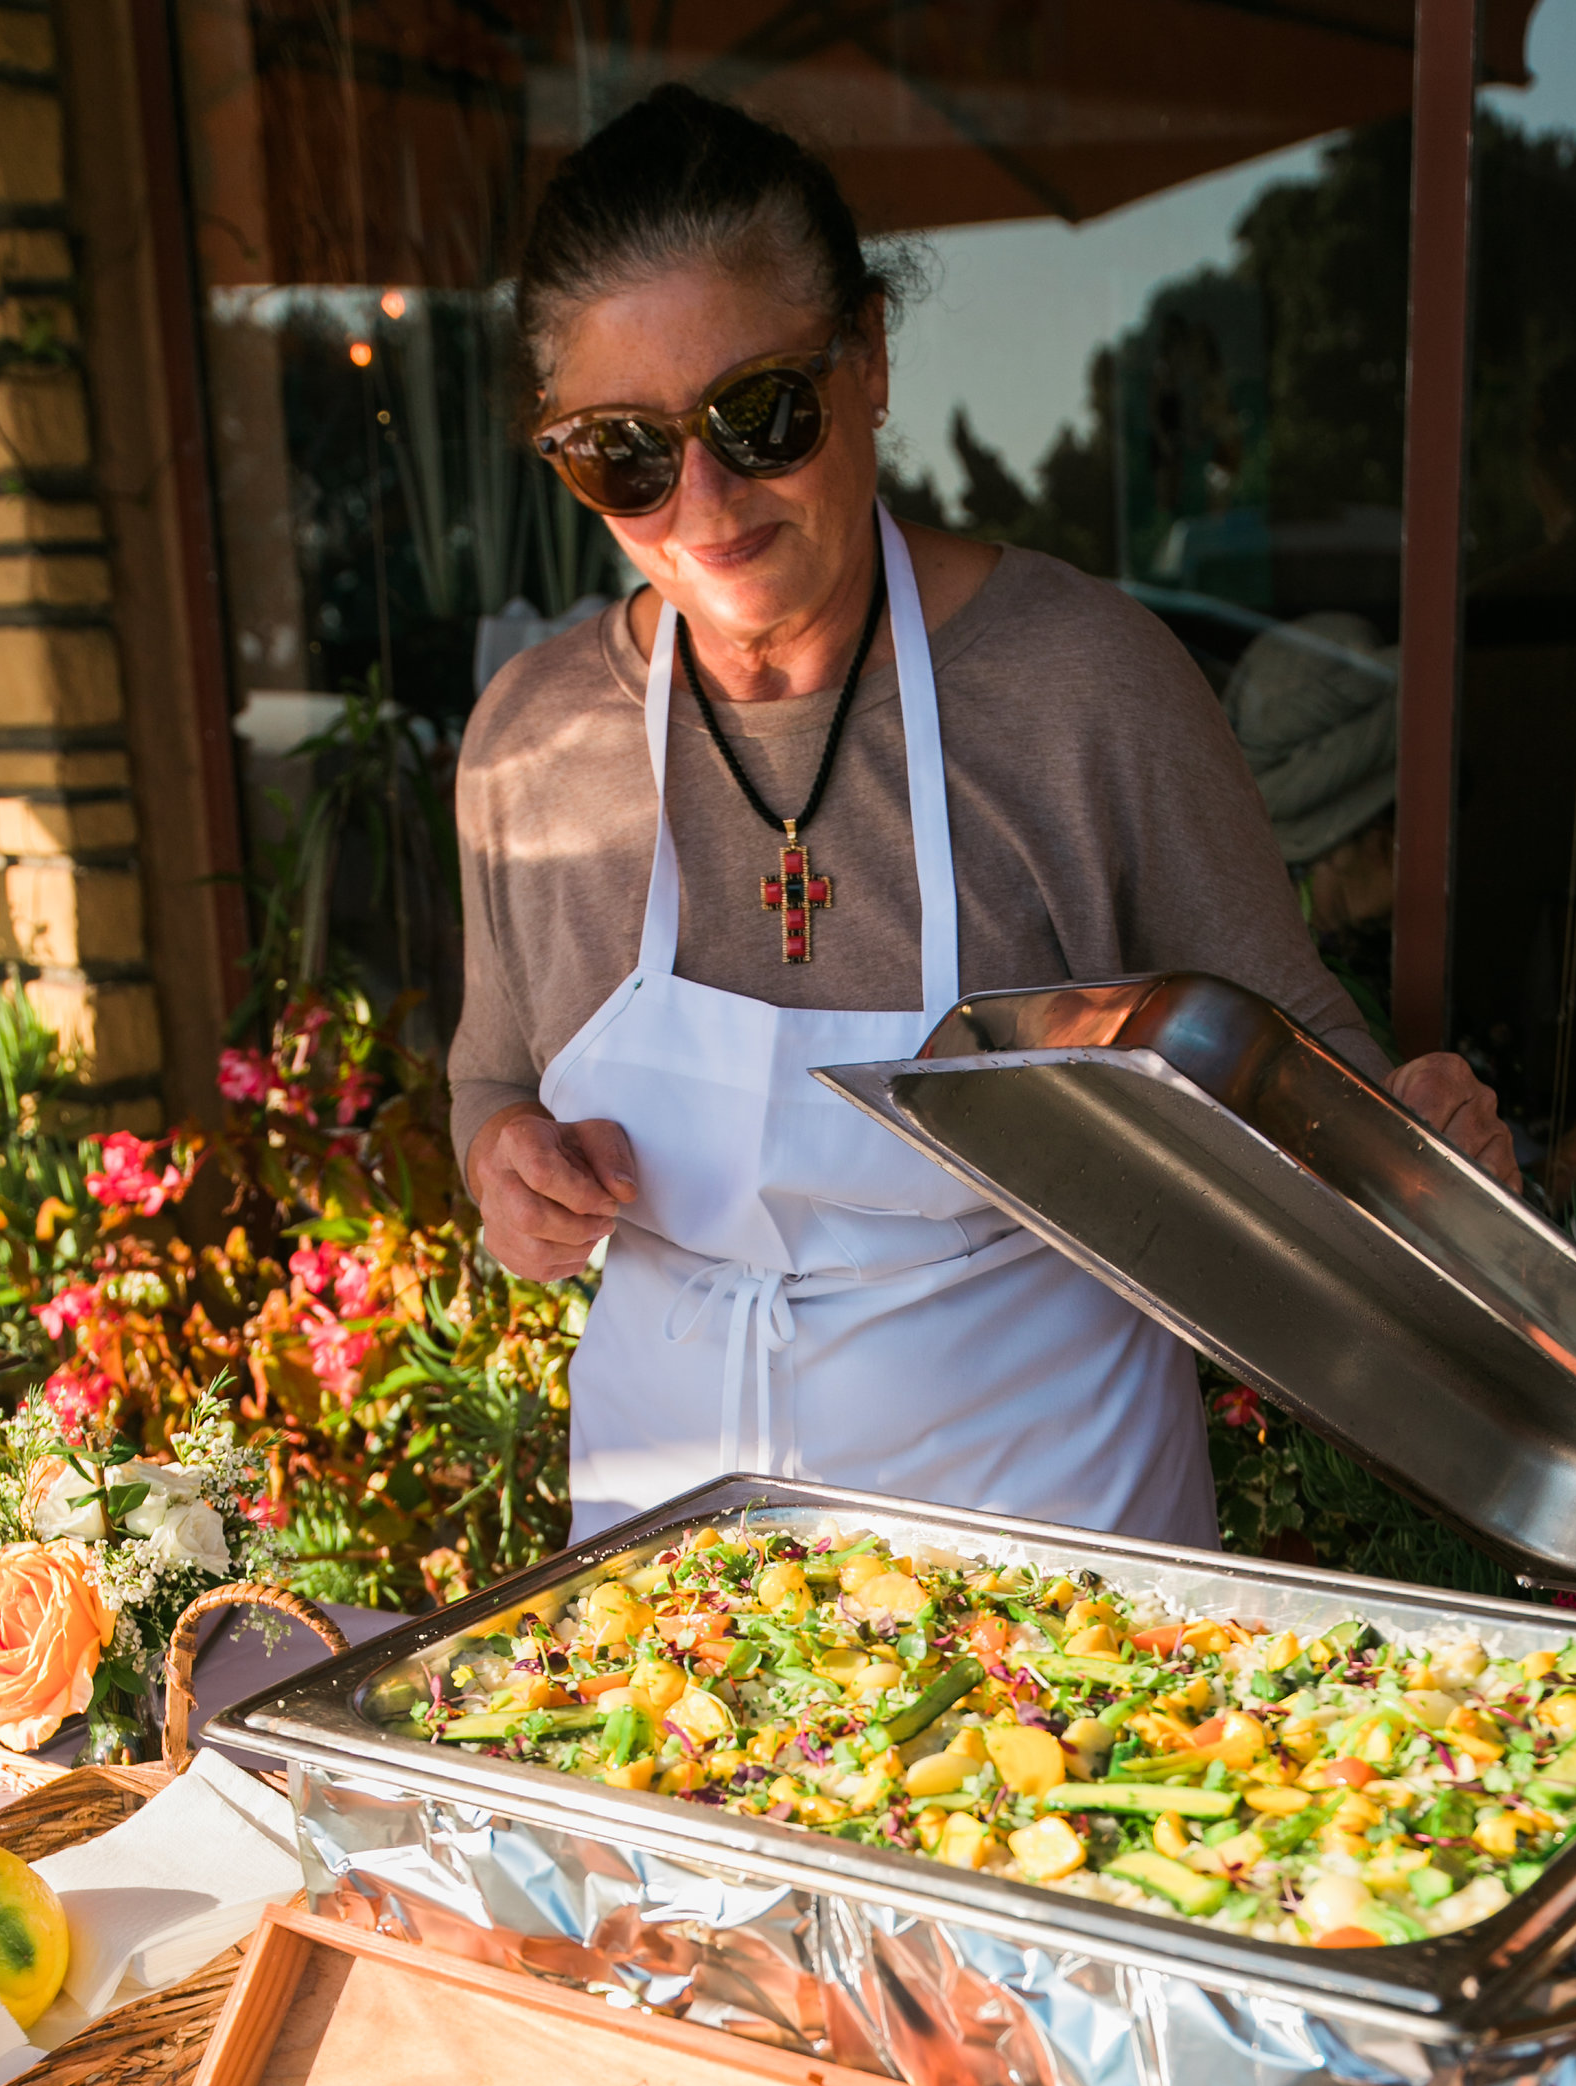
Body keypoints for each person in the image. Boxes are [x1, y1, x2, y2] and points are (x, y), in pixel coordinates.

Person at [452, 84, 1520, 1549]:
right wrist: (509, 1165)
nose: (700, 502)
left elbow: (1294, 1077)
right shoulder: (532, 742)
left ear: (871, 358)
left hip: (1053, 1551)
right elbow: (488, 1081)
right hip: (666, 1563)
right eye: (621, 452)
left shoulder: (1084, 689)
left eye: (759, 415)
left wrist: (1419, 1159)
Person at [1226, 611, 1576, 1200]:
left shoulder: (1350, 952)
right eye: (1408, 823)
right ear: (1349, 838)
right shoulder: (1314, 999)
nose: (1433, 848)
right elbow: (1403, 1205)